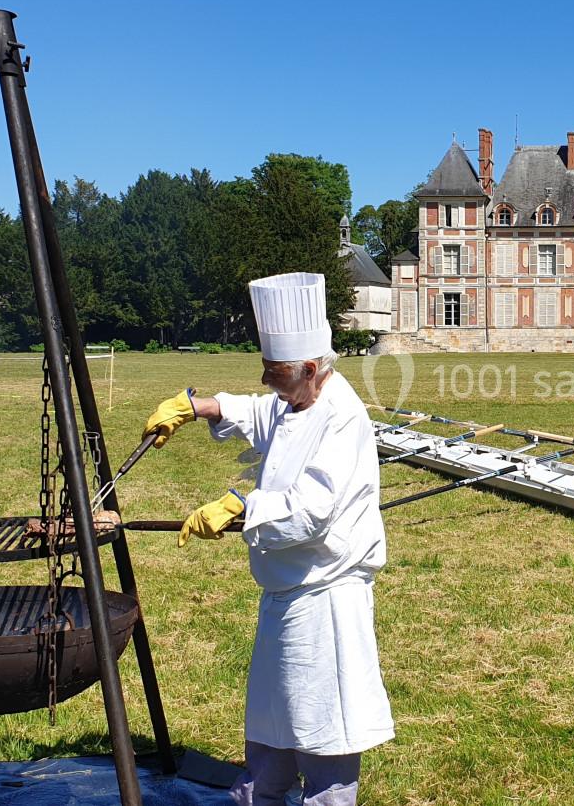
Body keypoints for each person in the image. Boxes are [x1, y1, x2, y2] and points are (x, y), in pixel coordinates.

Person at [143, 272, 394, 806]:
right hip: (285, 594)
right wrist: (200, 406)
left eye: (274, 370)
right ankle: (260, 795)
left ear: (310, 368)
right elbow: (267, 413)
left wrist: (241, 505)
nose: (265, 378)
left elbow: (313, 510)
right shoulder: (296, 395)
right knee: (274, 720)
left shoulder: (343, 417)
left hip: (324, 596)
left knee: (321, 727)